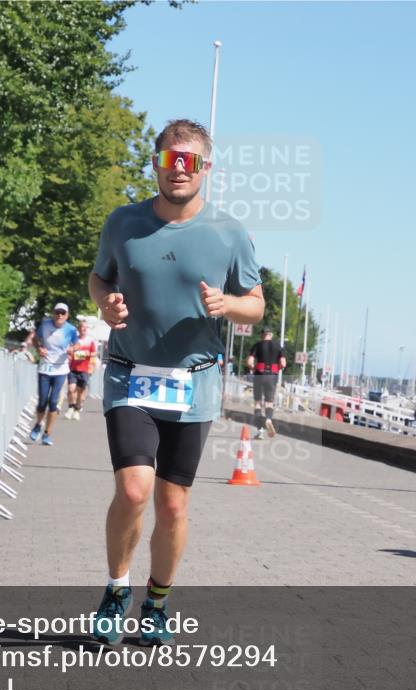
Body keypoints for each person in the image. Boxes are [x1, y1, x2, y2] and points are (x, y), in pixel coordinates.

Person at [88, 118, 264, 645]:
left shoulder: (229, 233)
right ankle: (117, 590)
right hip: (130, 375)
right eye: (170, 161)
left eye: (190, 162)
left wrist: (227, 304)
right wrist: (105, 301)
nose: (179, 171)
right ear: (158, 164)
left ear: (206, 168)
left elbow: (255, 305)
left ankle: (156, 602)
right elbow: (100, 277)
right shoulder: (123, 223)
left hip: (195, 384)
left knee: (172, 504)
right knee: (134, 489)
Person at [27, 302, 79, 447]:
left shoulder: (71, 329)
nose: (59, 316)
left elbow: (77, 344)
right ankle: (38, 425)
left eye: (63, 313)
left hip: (61, 370)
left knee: (53, 402)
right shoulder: (45, 325)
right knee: (43, 402)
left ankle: (47, 433)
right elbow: (35, 339)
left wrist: (72, 349)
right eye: (57, 312)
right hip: (45, 368)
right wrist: (39, 348)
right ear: (53, 313)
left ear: (67, 315)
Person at [247, 327, 286, 439]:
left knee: (258, 403)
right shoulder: (279, 346)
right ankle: (268, 419)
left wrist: (254, 368)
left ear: (262, 335)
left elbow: (249, 362)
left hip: (259, 375)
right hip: (272, 376)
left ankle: (260, 431)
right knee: (269, 403)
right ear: (271, 334)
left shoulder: (257, 345)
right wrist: (275, 370)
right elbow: (283, 364)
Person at [64, 319, 98, 420]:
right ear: (79, 328)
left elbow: (94, 354)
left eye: (85, 327)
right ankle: (71, 407)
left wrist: (91, 364)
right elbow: (69, 351)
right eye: (81, 327)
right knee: (71, 389)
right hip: (73, 368)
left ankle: (77, 409)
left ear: (87, 329)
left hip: (84, 370)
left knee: (81, 392)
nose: (83, 329)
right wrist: (70, 353)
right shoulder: (74, 340)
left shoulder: (90, 341)